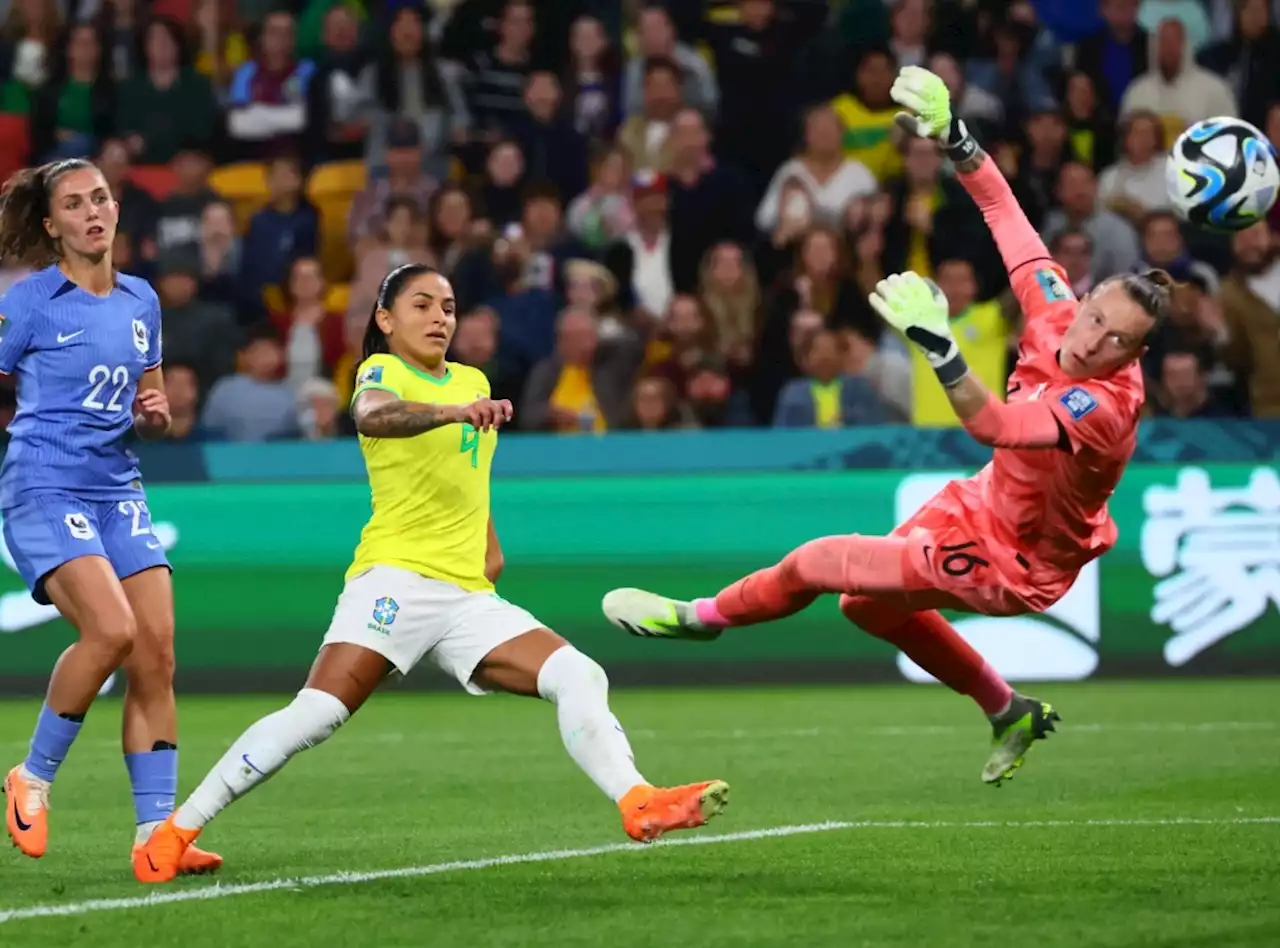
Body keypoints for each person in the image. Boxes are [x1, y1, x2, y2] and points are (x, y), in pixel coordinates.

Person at [602, 66, 1170, 786]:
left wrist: (939, 346)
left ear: (1136, 353)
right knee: (863, 609)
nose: (1094, 341)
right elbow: (1004, 211)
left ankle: (699, 617)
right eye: (1096, 317)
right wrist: (955, 135)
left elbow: (995, 423)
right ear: (1082, 299)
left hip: (1021, 558)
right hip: (985, 504)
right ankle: (1008, 709)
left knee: (816, 561)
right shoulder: (1056, 305)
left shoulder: (1106, 407)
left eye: (1118, 340)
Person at [135, 263, 728, 883]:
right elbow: (372, 416)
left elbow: (468, 474)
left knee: (578, 673)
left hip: (466, 596)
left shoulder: (471, 379)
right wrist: (451, 413)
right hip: (395, 581)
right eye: (422, 305)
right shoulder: (382, 373)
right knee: (317, 714)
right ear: (386, 320)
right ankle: (174, 835)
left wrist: (487, 541)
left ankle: (638, 802)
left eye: (447, 306)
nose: (439, 317)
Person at [0, 159, 221, 876]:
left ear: (117, 207)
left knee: (156, 652)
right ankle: (30, 778)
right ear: (51, 224)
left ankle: (155, 835)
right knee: (113, 629)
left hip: (118, 489)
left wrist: (155, 417)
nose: (92, 212)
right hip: (44, 485)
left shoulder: (141, 301)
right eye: (74, 204)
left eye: (100, 198)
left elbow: (150, 412)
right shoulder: (29, 301)